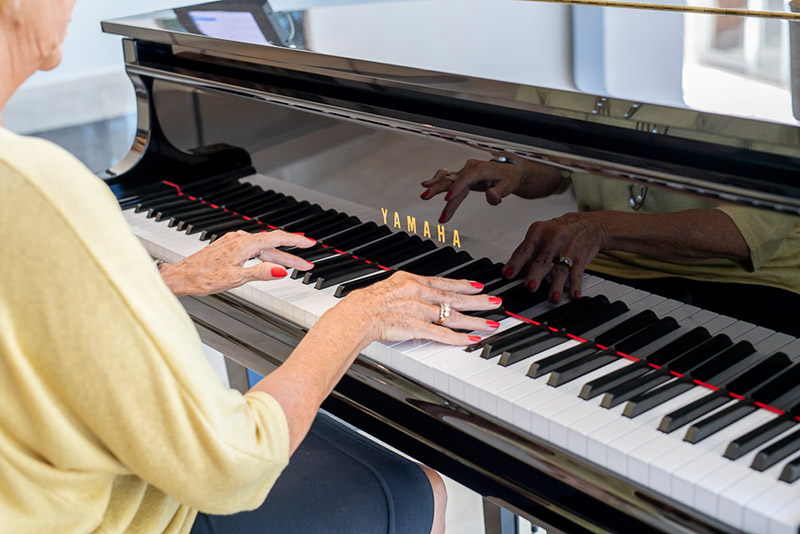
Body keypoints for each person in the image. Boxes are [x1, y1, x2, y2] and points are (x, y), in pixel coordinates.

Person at [0, 1, 503, 533]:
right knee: (420, 486)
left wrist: (167, 280)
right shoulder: (34, 187)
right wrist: (360, 314)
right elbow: (232, 467)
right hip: (101, 518)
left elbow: (31, 315)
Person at [421, 155, 800, 335]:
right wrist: (514, 170)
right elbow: (563, 165)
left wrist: (602, 227)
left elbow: (746, 232)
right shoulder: (582, 18)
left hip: (755, 285)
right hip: (605, 265)